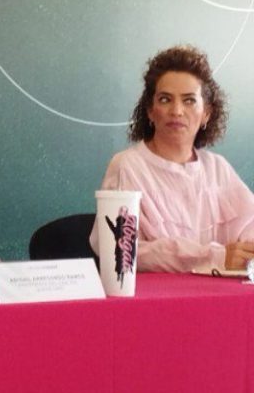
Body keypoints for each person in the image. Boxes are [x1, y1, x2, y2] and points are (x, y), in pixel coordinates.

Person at [92, 45, 254, 273]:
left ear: (206, 113)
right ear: (150, 111)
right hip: (154, 294)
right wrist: (213, 256)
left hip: (218, 293)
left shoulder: (218, 168)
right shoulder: (127, 166)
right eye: (165, 99)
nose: (177, 111)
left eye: (189, 100)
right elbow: (118, 249)